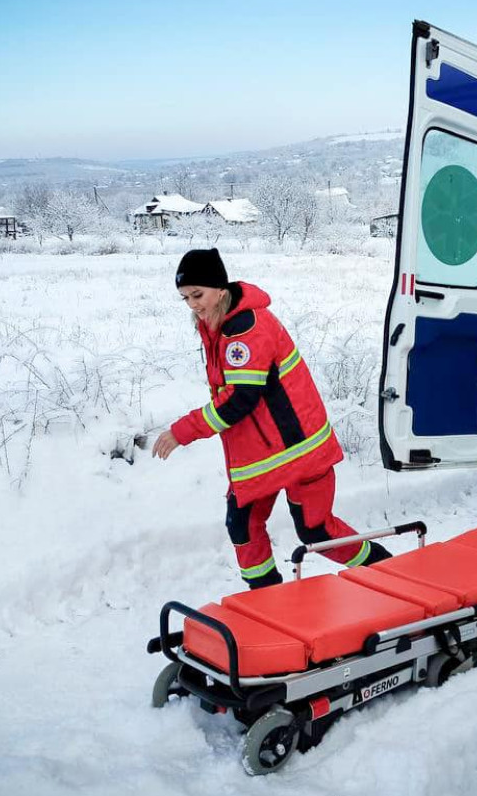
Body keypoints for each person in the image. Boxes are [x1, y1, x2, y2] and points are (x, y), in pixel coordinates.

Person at [152, 248, 390, 588]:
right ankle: (267, 599)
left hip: (299, 451)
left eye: (197, 295)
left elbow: (240, 399)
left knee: (315, 530)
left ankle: (387, 570)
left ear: (220, 289)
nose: (192, 305)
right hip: (265, 455)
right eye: (185, 298)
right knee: (243, 526)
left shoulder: (245, 328)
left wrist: (182, 431)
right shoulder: (218, 326)